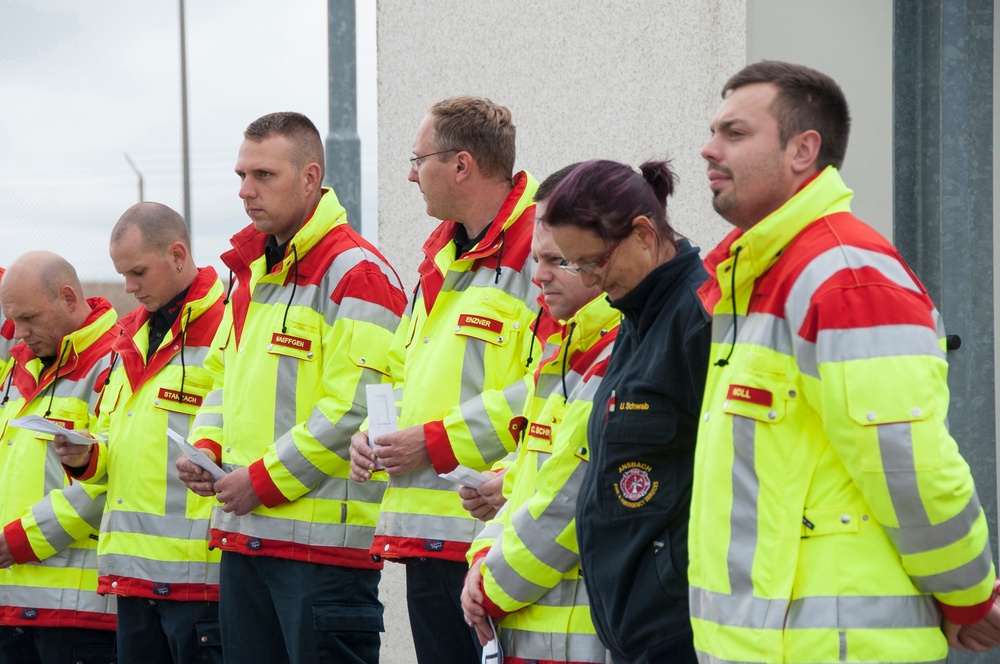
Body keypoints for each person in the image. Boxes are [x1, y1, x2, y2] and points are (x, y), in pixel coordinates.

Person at [689, 59, 1000, 663]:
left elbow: (908, 464)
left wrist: (967, 594)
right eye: (713, 132)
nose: (707, 150)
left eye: (735, 132)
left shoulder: (845, 277)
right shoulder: (762, 275)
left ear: (804, 149)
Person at [176, 111, 407, 664]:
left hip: (321, 557)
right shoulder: (252, 275)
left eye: (263, 175)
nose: (246, 191)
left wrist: (259, 481)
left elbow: (352, 411)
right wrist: (205, 448)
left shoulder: (358, 273)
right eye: (240, 176)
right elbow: (222, 381)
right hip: (246, 538)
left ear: (310, 178)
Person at [349, 95, 545, 663]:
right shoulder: (442, 256)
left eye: (419, 160)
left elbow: (555, 386)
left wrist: (431, 442)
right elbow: (404, 370)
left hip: (494, 537)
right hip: (428, 538)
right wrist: (372, 434)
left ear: (461, 165)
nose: (411, 175)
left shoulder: (544, 252)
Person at [545, 159, 712, 663]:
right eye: (577, 266)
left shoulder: (698, 320)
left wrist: (670, 574)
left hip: (678, 629)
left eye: (592, 261)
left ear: (643, 233)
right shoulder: (636, 319)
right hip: (631, 631)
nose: (589, 280)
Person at [460, 163, 619, 663]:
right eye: (534, 258)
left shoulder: (618, 357)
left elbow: (567, 503)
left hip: (583, 641)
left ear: (603, 257)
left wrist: (490, 584)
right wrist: (482, 558)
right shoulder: (563, 355)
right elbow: (531, 474)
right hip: (530, 637)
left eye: (556, 259)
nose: (538, 275)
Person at [55, 202, 225, 663]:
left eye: (138, 272)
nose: (128, 288)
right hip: (131, 581)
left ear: (177, 254)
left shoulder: (230, 324)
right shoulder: (129, 336)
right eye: (121, 275)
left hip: (201, 583)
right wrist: (84, 456)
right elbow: (117, 439)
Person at [0, 251, 119, 663]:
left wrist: (18, 541)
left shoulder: (116, 362)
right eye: (14, 321)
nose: (19, 333)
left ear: (69, 298)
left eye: (30, 319)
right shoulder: (17, 371)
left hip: (77, 614)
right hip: (11, 607)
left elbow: (112, 478)